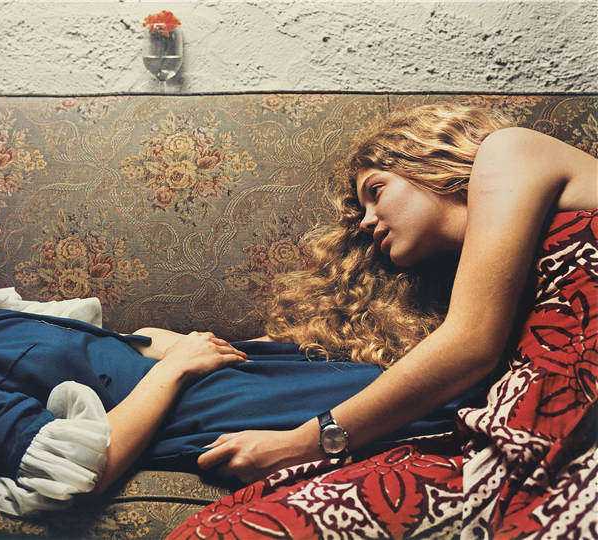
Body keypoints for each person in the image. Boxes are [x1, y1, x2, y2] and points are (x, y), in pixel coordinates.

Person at [0, 144, 481, 517]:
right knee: (464, 399)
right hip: (218, 410)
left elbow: (77, 367)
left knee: (459, 375)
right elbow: (75, 469)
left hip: (241, 376)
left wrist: (146, 341)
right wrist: (175, 367)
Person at [172, 103, 596, 538]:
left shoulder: (511, 150)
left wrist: (302, 442)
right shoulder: (474, 285)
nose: (368, 221)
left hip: (577, 434)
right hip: (522, 438)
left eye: (376, 191)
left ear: (427, 161)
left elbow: (470, 344)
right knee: (224, 529)